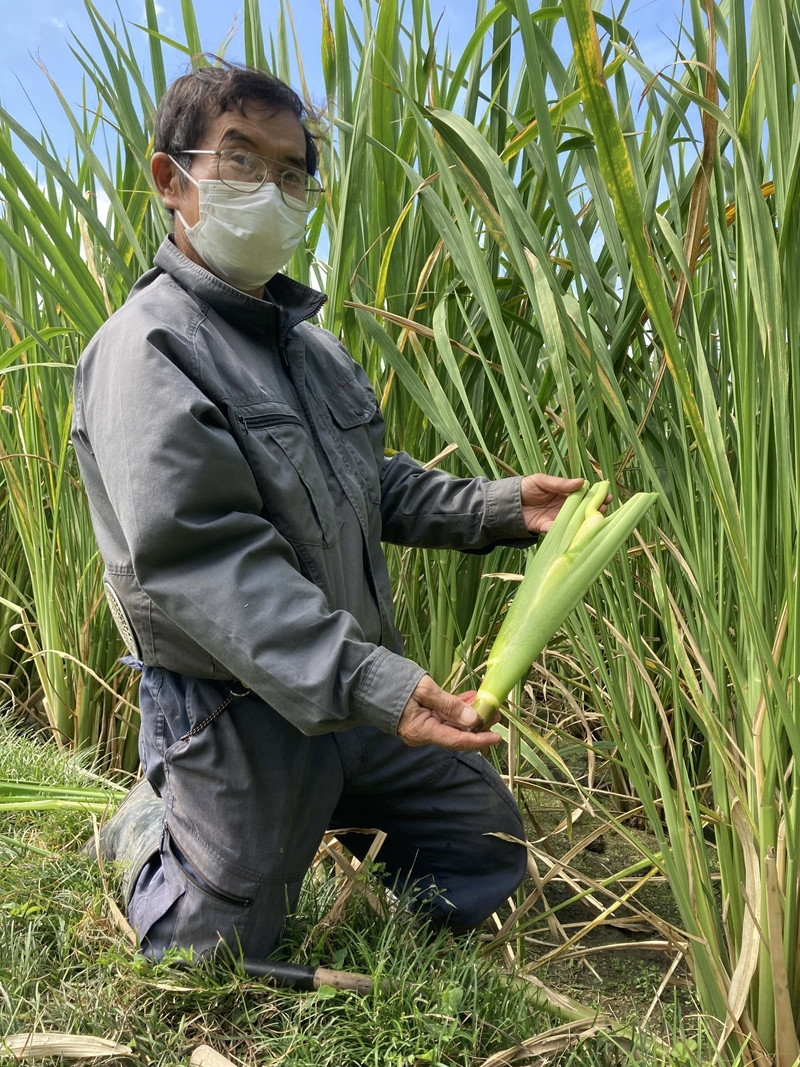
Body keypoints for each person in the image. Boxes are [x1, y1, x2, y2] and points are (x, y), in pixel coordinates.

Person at [71, 61, 586, 965]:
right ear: (171, 178)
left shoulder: (313, 350)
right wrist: (378, 684)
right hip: (239, 709)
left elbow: (372, 481)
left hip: (351, 693)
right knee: (213, 953)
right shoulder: (145, 350)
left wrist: (504, 507)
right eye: (240, 161)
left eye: (292, 170)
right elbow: (204, 563)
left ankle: (324, 815)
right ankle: (151, 827)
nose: (270, 189)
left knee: (486, 852)